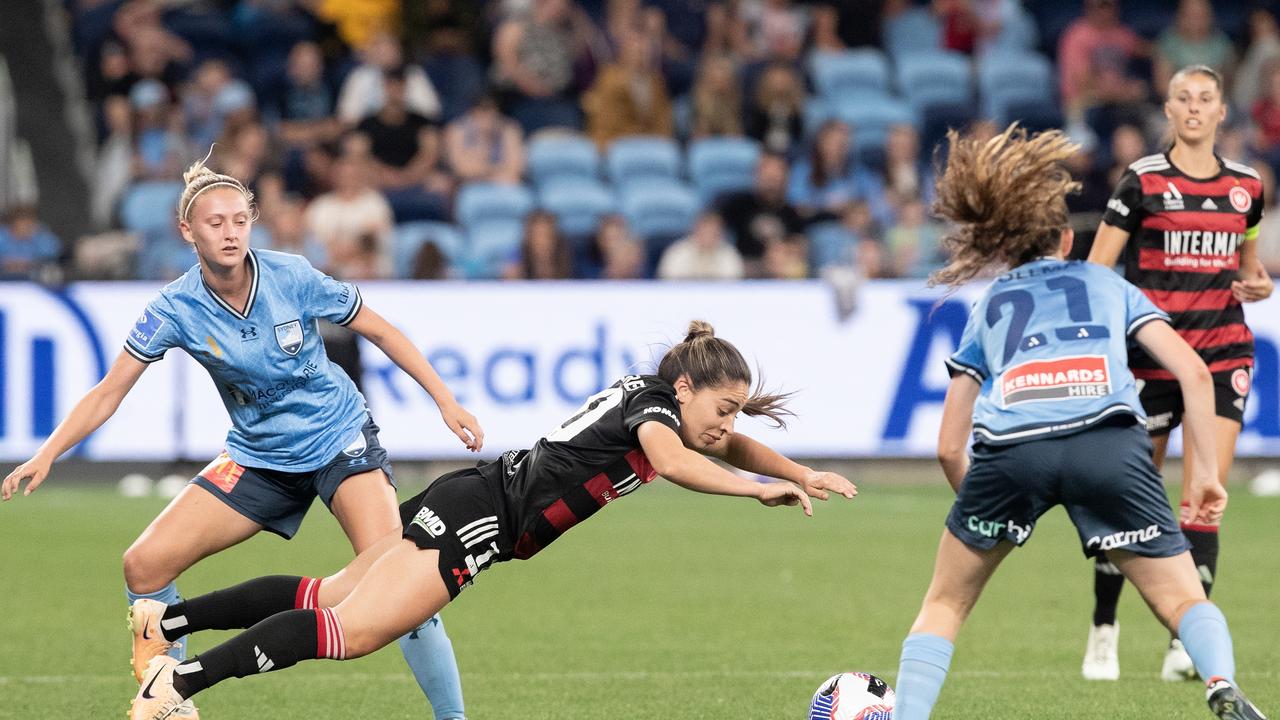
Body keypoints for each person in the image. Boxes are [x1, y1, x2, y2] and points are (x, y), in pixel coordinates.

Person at [124, 321, 858, 719]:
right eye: (723, 407)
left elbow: (721, 441)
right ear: (687, 387)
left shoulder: (661, 401)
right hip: (480, 518)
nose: (727, 423)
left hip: (474, 498)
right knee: (350, 633)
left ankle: (168, 623)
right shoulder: (654, 413)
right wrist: (751, 490)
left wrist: (793, 471)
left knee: (329, 595)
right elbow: (674, 460)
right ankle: (175, 690)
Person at [1, 158, 484, 720]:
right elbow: (110, 391)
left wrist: (445, 400)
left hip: (339, 441)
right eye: (215, 224)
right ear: (188, 232)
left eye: (239, 221)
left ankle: (452, 718)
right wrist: (48, 453)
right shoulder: (174, 307)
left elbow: (378, 328)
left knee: (400, 582)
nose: (230, 233)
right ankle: (171, 699)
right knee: (145, 565)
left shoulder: (292, 275)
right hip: (259, 457)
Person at [890, 124, 1267, 720]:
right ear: (1067, 240)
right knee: (1180, 598)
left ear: (1003, 247)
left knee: (944, 604)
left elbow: (946, 445)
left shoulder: (991, 303)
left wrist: (984, 507)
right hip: (1108, 444)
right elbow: (1194, 374)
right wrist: (1204, 481)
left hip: (1011, 450)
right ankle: (1220, 684)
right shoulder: (1107, 283)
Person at [1083, 65, 1271, 683]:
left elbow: (1249, 268)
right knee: (1128, 497)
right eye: (1184, 99)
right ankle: (1104, 628)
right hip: (1152, 359)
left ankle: (1183, 642)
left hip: (1221, 355)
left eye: (1206, 100)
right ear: (1168, 110)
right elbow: (1096, 272)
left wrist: (1259, 282)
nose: (1194, 109)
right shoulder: (1141, 181)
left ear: (1222, 112)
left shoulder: (1247, 188)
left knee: (1204, 498)